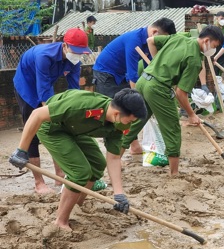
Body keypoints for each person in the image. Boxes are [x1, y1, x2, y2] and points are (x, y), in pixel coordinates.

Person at [9, 88, 147, 231]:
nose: (131, 124)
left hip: (74, 129)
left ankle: (75, 206)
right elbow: (37, 114)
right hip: (52, 129)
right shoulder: (84, 104)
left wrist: (119, 194)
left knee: (98, 164)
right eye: (131, 120)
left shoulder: (118, 124)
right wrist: (22, 150)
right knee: (80, 172)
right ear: (117, 113)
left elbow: (113, 157)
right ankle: (60, 221)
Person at [122, 26, 224, 176]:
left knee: (136, 121)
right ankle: (174, 173)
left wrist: (155, 63)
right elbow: (180, 94)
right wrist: (191, 115)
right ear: (207, 40)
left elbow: (151, 40)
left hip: (143, 81)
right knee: (172, 129)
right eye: (214, 46)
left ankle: (114, 156)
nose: (213, 50)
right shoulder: (195, 60)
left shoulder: (180, 37)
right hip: (158, 89)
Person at [13, 28, 91, 194]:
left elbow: (74, 90)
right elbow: (44, 91)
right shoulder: (44, 56)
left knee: (57, 127)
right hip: (27, 87)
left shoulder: (74, 61)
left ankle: (59, 174)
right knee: (35, 130)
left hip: (44, 86)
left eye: (81, 52)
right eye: (75, 51)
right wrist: (52, 114)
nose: (78, 55)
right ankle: (38, 182)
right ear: (64, 46)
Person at [92, 18, 176, 155]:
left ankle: (134, 145)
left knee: (127, 111)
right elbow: (133, 77)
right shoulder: (134, 41)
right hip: (105, 73)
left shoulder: (148, 42)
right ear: (155, 32)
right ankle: (112, 154)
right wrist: (141, 99)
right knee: (113, 111)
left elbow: (150, 67)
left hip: (120, 73)